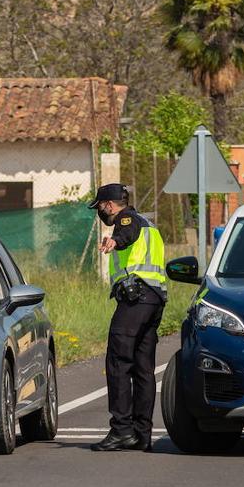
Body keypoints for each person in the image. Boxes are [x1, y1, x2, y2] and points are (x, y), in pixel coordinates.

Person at [88, 183, 167, 452]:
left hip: (136, 298)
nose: (100, 211)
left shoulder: (128, 219)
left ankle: (121, 430)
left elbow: (126, 232)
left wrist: (115, 240)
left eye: (100, 206)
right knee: (143, 367)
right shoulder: (150, 224)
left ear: (109, 205)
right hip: (154, 299)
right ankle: (141, 433)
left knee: (118, 361)